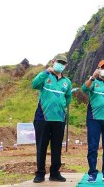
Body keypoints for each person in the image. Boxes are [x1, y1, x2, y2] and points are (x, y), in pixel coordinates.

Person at [31, 54, 72, 183]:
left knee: (57, 147)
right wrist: (45, 72)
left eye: (63, 63)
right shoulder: (45, 76)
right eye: (58, 62)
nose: (60, 64)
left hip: (59, 119)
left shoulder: (67, 82)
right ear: (53, 62)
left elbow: (68, 97)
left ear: (65, 66)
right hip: (43, 117)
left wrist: (62, 108)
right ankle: (40, 173)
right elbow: (34, 84)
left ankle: (55, 172)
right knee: (42, 146)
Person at [81, 59, 104, 183]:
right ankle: (92, 173)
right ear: (98, 68)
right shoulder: (93, 83)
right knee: (93, 147)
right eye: (103, 67)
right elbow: (84, 89)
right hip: (94, 119)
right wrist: (93, 77)